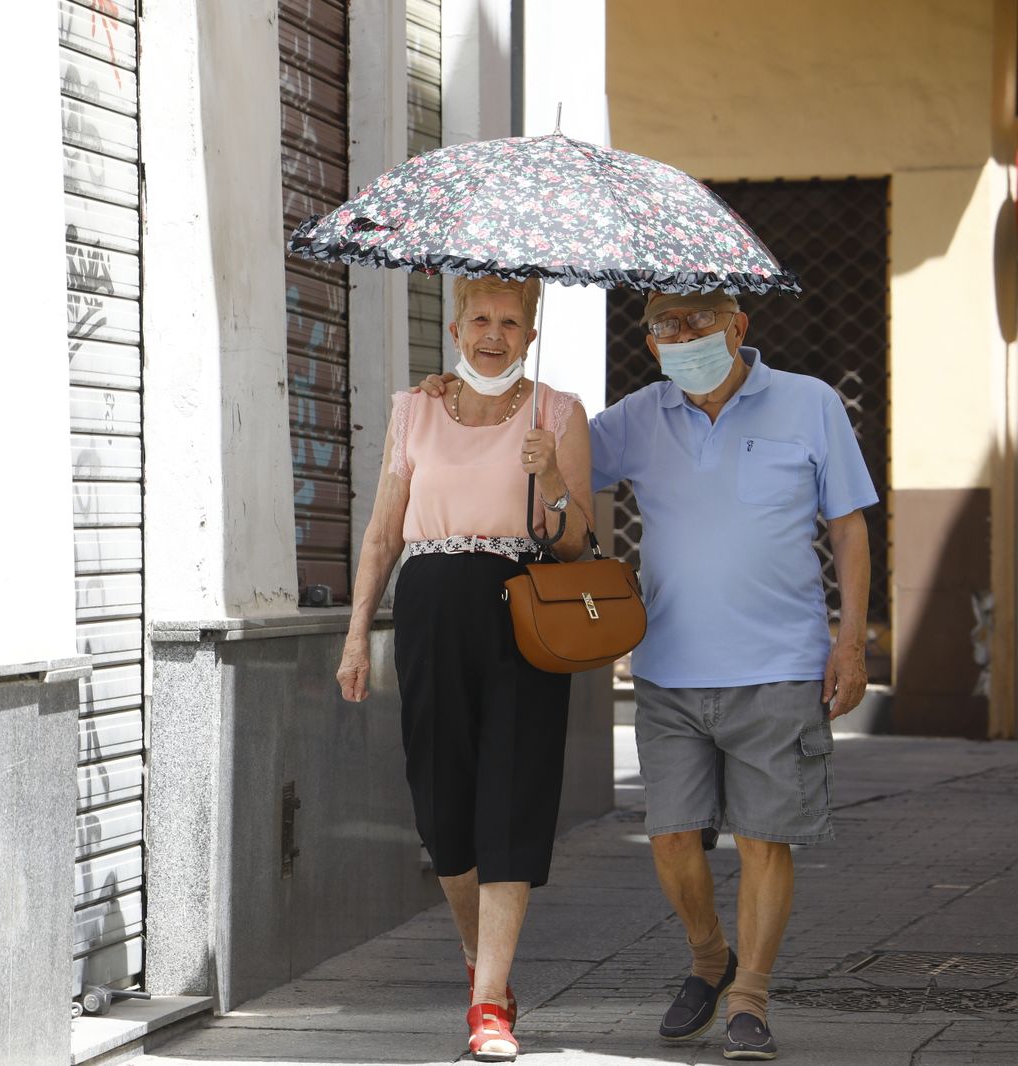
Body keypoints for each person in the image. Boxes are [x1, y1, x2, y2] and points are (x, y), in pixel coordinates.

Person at [415, 290, 876, 1061]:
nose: (684, 336)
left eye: (700, 322)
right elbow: (543, 443)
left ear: (739, 326)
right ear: (651, 342)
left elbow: (849, 525)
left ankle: (749, 997)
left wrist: (851, 642)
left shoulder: (810, 403)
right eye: (666, 326)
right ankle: (708, 954)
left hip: (782, 664)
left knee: (764, 838)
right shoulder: (638, 416)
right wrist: (460, 391)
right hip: (667, 669)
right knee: (670, 841)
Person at [337, 275, 592, 1063]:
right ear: (454, 328)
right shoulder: (414, 408)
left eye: (510, 321)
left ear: (531, 333)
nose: (493, 333)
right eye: (479, 318)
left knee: (510, 797)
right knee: (442, 804)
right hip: (430, 609)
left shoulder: (559, 412)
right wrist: (355, 637)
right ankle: (482, 961)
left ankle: (489, 1005)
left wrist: (549, 475)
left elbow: (579, 541)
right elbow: (383, 533)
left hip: (524, 612)